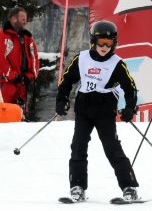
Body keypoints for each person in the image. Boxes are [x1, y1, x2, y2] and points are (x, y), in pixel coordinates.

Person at [55, 20, 140, 202]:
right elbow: (67, 79)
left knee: (112, 148)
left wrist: (129, 108)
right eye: (101, 42)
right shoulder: (82, 58)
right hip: (84, 107)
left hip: (105, 108)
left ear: (114, 44)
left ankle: (129, 187)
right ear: (93, 41)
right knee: (78, 146)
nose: (104, 47)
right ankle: (77, 187)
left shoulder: (117, 64)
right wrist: (61, 99)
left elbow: (130, 88)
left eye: (109, 44)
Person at [0, 6, 39, 121]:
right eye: (22, 18)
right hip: (6, 83)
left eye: (25, 18)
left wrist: (31, 76)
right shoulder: (3, 36)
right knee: (4, 113)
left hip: (22, 83)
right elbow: (1, 59)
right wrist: (12, 76)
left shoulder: (27, 38)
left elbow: (34, 58)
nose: (25, 21)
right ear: (13, 19)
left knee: (20, 115)